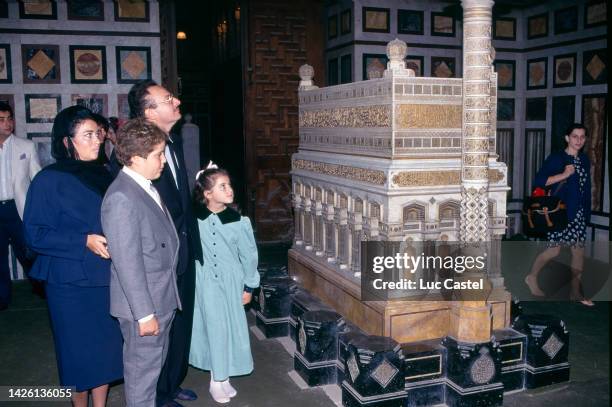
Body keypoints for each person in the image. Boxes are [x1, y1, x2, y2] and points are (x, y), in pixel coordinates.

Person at [23, 105, 123, 406]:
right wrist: (83, 241)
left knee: (105, 350)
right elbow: (35, 234)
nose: (97, 141)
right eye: (88, 135)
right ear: (67, 141)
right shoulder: (49, 180)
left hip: (107, 276)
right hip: (70, 281)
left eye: (99, 134)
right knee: (77, 354)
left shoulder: (107, 173)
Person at [127, 80, 203, 407]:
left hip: (183, 251)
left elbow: (182, 204)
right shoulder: (137, 152)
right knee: (158, 334)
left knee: (180, 326)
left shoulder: (171, 142)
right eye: (167, 99)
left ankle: (171, 384)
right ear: (148, 111)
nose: (177, 101)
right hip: (158, 259)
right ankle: (156, 395)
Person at [101, 118, 181, 407]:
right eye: (158, 155)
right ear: (136, 158)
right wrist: (144, 314)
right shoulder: (122, 196)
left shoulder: (143, 185)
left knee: (151, 370)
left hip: (160, 296)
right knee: (141, 377)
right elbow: (127, 263)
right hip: (145, 305)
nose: (163, 160)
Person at [189, 167, 259, 404]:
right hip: (206, 281)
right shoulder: (194, 218)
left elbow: (249, 256)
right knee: (214, 328)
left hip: (231, 282)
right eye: (222, 186)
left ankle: (224, 376)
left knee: (229, 328)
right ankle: (215, 380)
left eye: (229, 185)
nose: (230, 190)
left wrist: (249, 287)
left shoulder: (238, 221)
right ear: (207, 194)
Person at [524, 123, 593, 306]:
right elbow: (540, 181)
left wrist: (586, 212)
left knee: (578, 252)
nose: (578, 140)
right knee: (553, 250)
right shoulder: (557, 158)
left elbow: (584, 189)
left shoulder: (584, 160)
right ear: (567, 138)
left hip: (578, 214)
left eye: (582, 137)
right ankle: (531, 277)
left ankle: (576, 292)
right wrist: (563, 174)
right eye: (575, 136)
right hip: (560, 213)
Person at [0, 101, 41, 310]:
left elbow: (38, 180)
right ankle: (2, 299)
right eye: (2, 120)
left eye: (9, 119)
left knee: (27, 253)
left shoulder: (26, 146)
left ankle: (42, 290)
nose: (7, 124)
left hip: (19, 210)